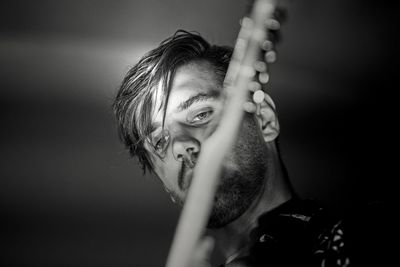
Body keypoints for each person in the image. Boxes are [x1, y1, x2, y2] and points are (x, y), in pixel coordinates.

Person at [112, 30, 388, 266]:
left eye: (200, 114)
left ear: (264, 119)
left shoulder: (368, 236)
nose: (181, 146)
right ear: (166, 185)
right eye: (160, 141)